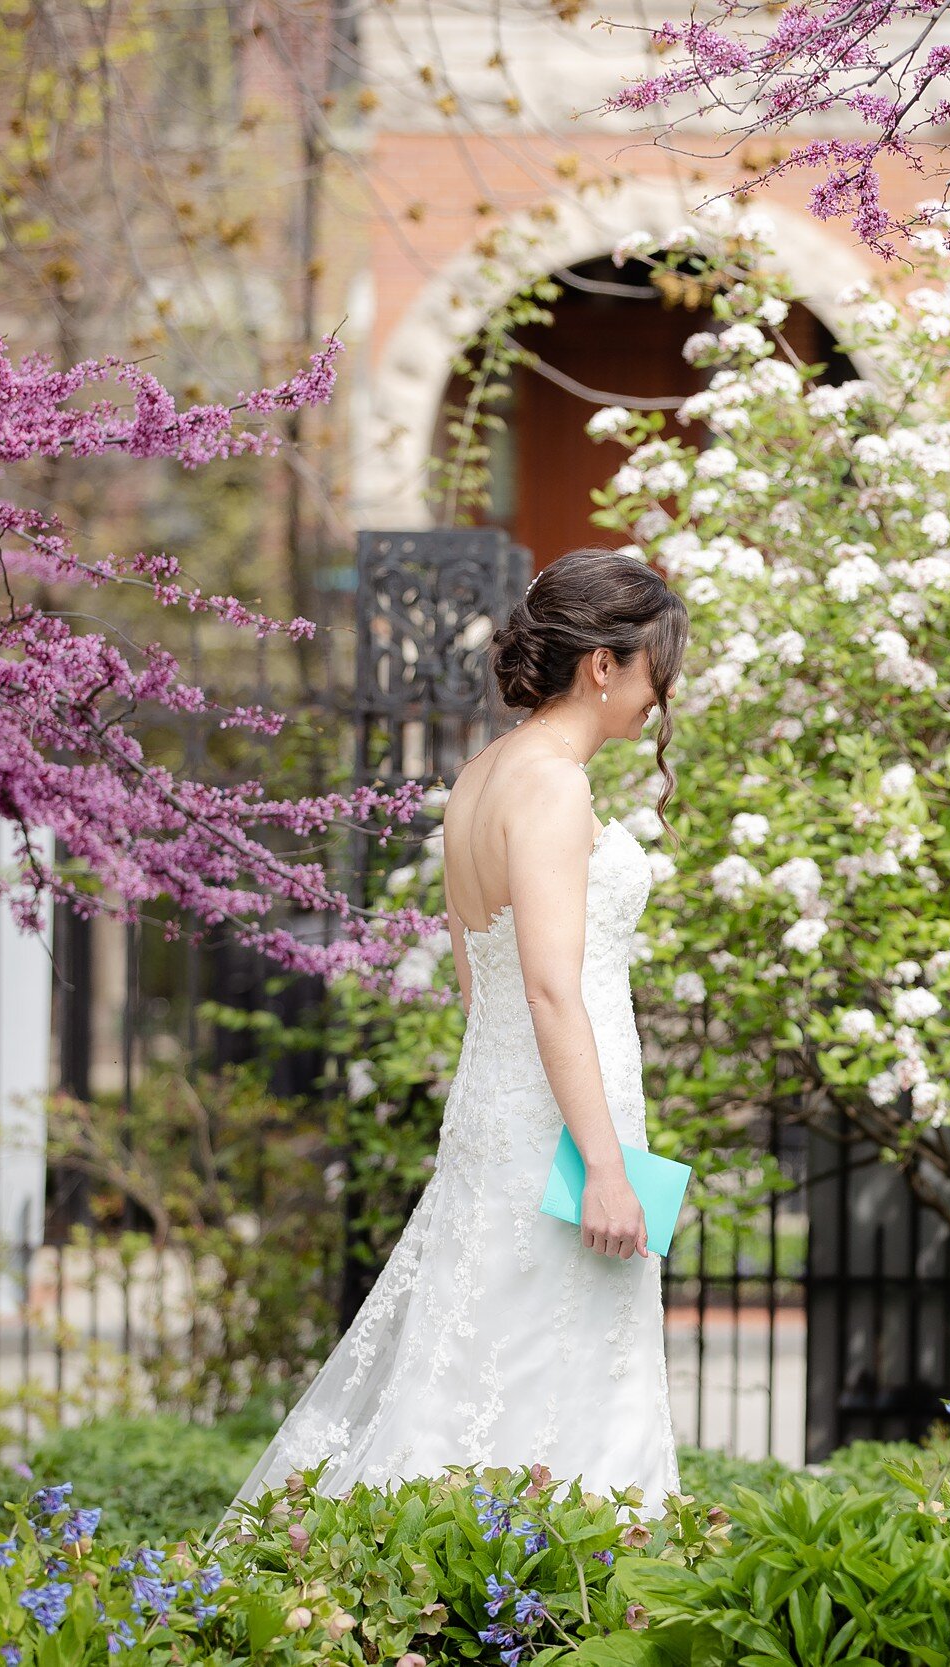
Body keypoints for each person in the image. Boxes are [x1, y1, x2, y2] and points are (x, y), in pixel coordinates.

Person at [229, 550, 689, 1512]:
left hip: (504, 1119)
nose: (660, 696)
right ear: (604, 664)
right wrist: (603, 1163)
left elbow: (482, 991)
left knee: (476, 1369)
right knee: (564, 1382)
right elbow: (550, 992)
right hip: (568, 1133)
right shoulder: (555, 787)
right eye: (655, 668)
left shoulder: (482, 776)